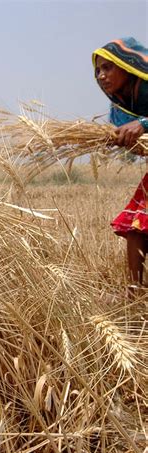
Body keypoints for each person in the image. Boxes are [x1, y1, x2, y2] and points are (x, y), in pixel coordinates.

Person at [93, 38, 148, 292]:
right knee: (137, 227)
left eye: (108, 67)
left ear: (126, 65)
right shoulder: (120, 107)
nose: (101, 76)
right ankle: (134, 291)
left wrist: (144, 124)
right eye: (98, 70)